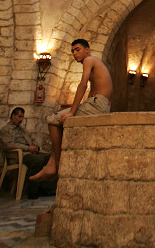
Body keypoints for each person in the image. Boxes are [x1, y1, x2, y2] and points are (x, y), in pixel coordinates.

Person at [30, 38, 113, 182]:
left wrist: (72, 111)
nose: (75, 53)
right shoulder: (95, 62)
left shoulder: (89, 60)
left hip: (97, 103)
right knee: (59, 121)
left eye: (78, 49)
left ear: (87, 50)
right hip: (98, 103)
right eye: (73, 51)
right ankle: (52, 164)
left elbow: (82, 85)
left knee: (52, 119)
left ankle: (56, 166)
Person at [0, 107, 52, 198]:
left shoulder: (22, 130)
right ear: (13, 116)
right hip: (20, 155)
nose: (21, 119)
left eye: (22, 117)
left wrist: (35, 146)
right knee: (38, 160)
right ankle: (32, 192)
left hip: (30, 152)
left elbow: (32, 137)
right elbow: (9, 145)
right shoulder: (5, 130)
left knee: (52, 157)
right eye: (19, 117)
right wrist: (27, 148)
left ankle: (47, 189)